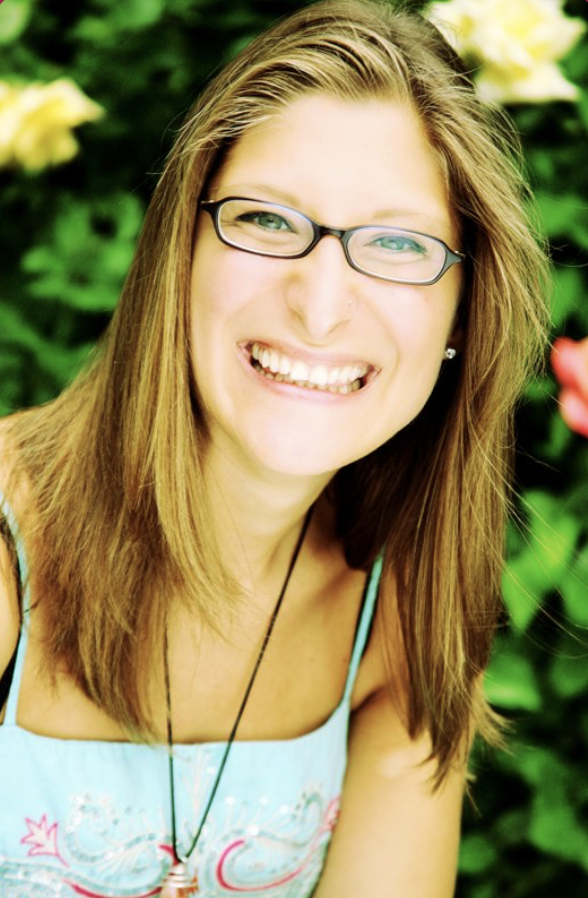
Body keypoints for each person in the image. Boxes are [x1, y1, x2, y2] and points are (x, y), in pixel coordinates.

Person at [0, 0, 549, 895]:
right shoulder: (5, 564)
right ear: (180, 252)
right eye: (264, 221)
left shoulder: (396, 613)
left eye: (399, 243)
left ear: (463, 311)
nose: (321, 303)